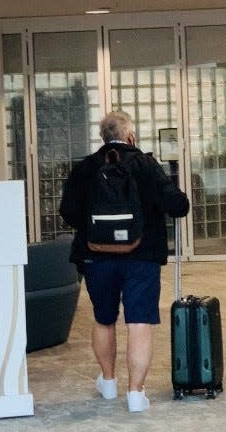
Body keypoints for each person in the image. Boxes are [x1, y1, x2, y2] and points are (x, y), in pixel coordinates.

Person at [60, 110, 189, 413]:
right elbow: (178, 205)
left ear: (103, 139)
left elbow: (68, 211)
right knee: (139, 321)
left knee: (103, 318)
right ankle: (135, 393)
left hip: (95, 257)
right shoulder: (146, 165)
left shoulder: (86, 168)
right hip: (141, 257)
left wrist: (95, 230)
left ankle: (108, 382)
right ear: (131, 136)